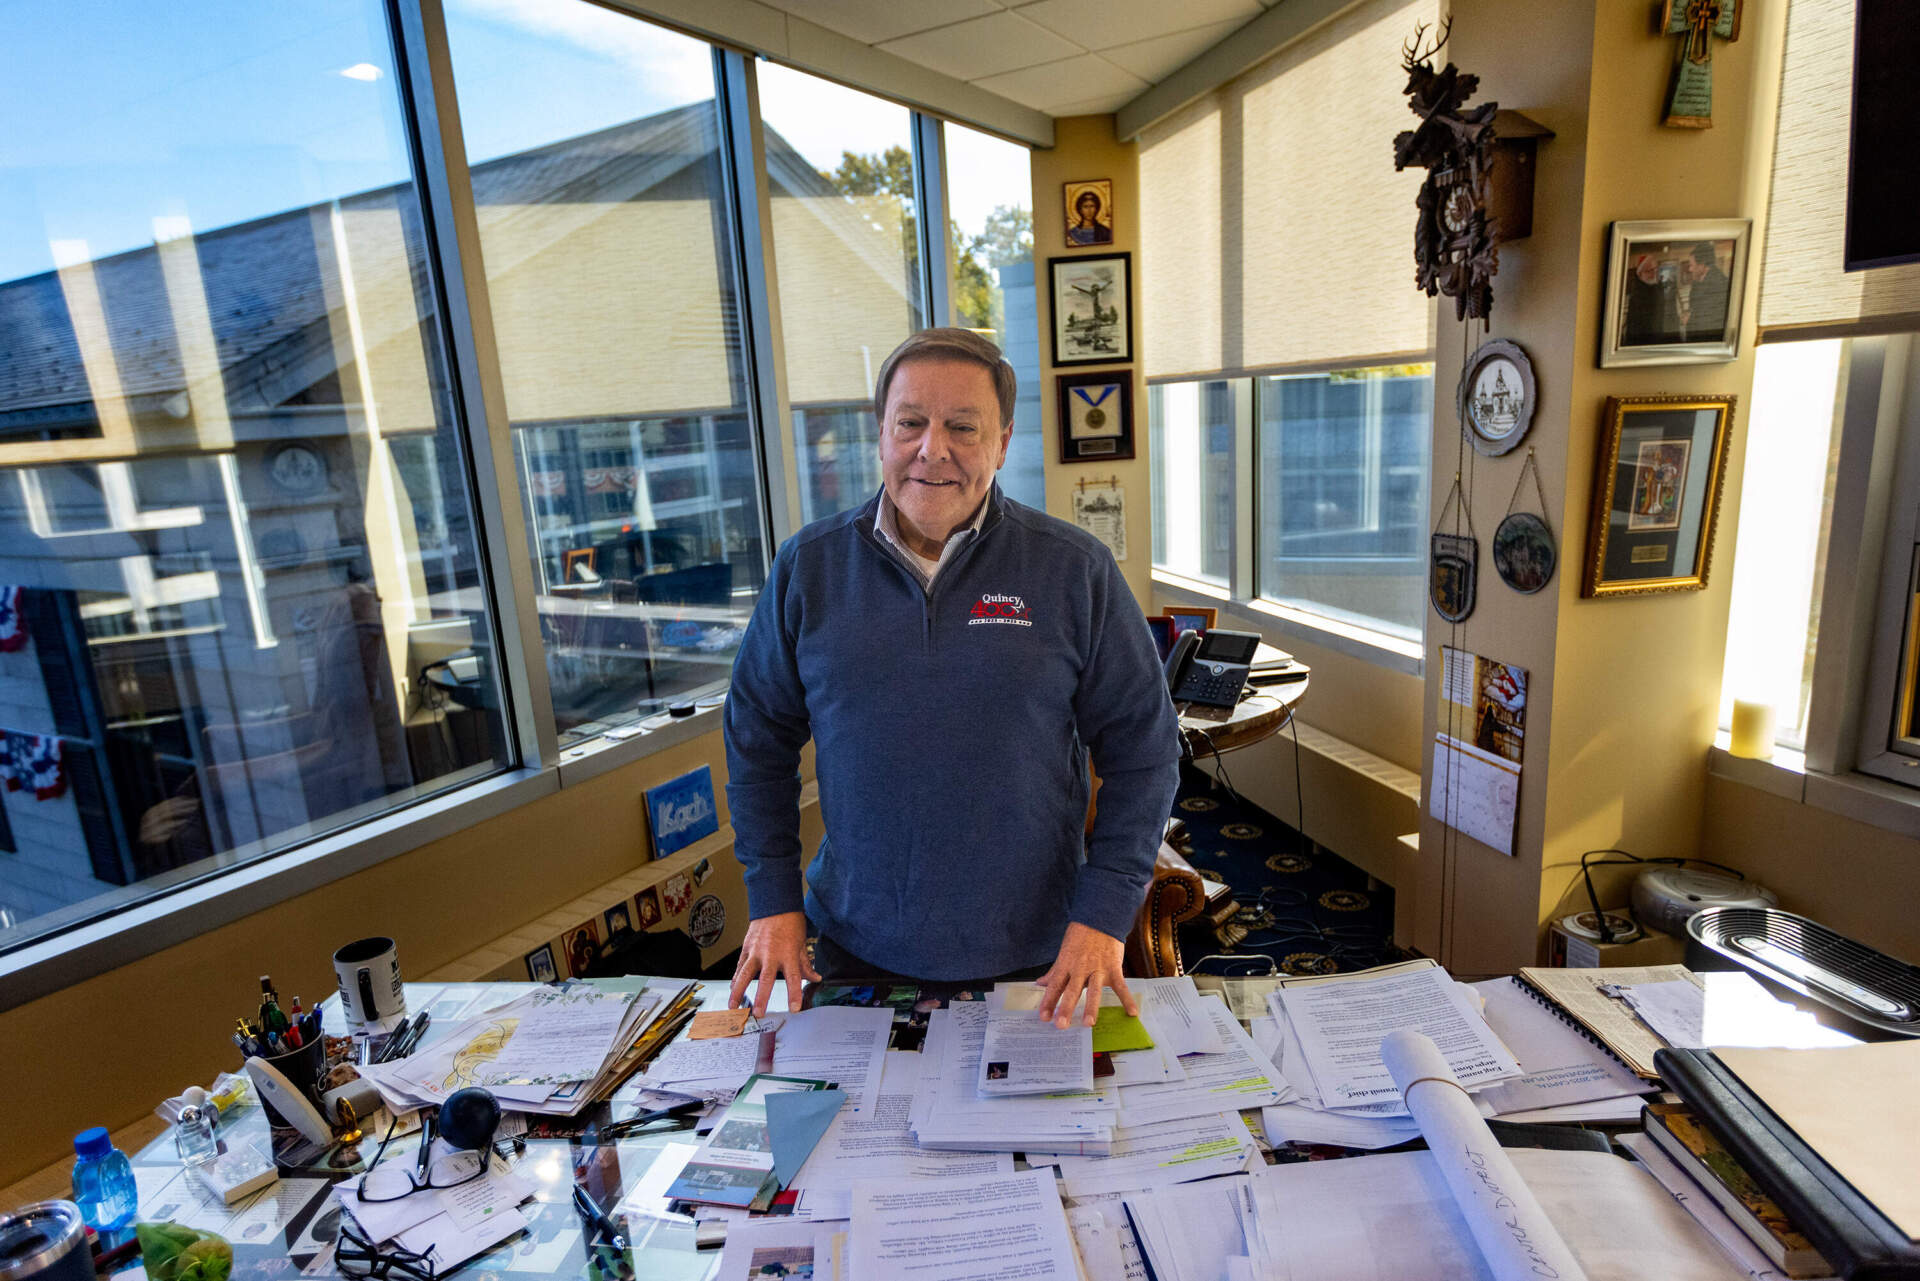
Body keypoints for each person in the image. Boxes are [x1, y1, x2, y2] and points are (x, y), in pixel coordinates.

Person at [724, 328, 1180, 1029]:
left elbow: (1145, 753)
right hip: (855, 946)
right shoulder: (807, 570)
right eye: (911, 422)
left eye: (963, 427)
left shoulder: (1075, 571)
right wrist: (773, 898)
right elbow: (757, 739)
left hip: (1043, 954)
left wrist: (1104, 913)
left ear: (1001, 443)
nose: (932, 449)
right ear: (881, 432)